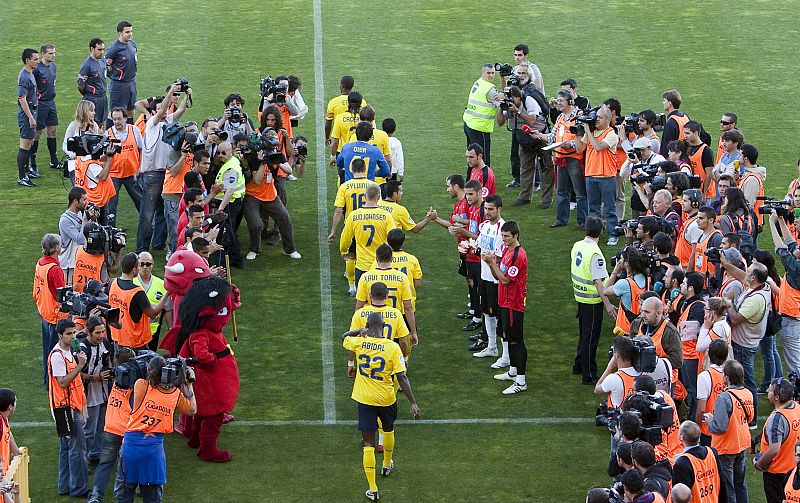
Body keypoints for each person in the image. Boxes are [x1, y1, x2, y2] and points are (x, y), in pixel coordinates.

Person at [341, 312, 421, 502]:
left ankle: (373, 489)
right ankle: (386, 465)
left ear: (368, 325)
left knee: (368, 444)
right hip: (386, 398)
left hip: (365, 399)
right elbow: (402, 377)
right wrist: (413, 402)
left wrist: (360, 331)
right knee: (388, 429)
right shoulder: (393, 347)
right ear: (384, 325)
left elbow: (344, 337)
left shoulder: (360, 342)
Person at [119, 356, 196, 503]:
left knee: (125, 491)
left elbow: (144, 376)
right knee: (152, 495)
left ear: (149, 370)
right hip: (153, 451)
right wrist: (188, 383)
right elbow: (192, 410)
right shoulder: (175, 394)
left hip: (131, 447)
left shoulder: (141, 385)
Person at [135, 82, 189, 254]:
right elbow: (163, 110)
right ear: (153, 111)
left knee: (163, 212)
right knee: (147, 214)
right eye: (159, 108)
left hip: (166, 174)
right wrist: (170, 93)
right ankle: (142, 247)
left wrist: (187, 95)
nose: (164, 110)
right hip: (152, 174)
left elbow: (179, 111)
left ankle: (158, 243)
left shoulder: (168, 121)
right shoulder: (152, 123)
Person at [484, 220, 529, 394]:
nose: (503, 239)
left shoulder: (519, 256)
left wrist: (492, 262)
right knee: (509, 338)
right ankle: (512, 371)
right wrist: (490, 263)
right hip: (504, 301)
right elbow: (498, 276)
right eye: (502, 236)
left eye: (506, 236)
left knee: (517, 341)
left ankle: (521, 381)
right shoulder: (507, 250)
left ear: (515, 235)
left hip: (513, 304)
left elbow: (505, 279)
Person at [86, 347, 134, 503]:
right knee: (127, 466)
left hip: (110, 428)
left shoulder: (116, 379)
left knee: (105, 464)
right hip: (127, 431)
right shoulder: (136, 384)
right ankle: (133, 492)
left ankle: (95, 496)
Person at [571, 217, 615, 384]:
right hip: (592, 301)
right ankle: (588, 374)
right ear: (601, 232)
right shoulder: (595, 254)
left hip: (580, 296)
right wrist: (608, 304)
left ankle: (578, 365)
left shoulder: (578, 245)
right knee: (590, 337)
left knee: (584, 333)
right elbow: (598, 282)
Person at [702, 359, 752, 503]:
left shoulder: (724, 397)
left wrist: (710, 420)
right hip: (741, 443)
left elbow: (719, 427)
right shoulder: (747, 393)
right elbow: (750, 418)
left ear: (727, 378)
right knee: (740, 483)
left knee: (728, 486)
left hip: (726, 447)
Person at [49, 318, 89, 498]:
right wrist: (80, 365)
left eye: (74, 333)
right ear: (60, 335)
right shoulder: (57, 356)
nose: (73, 337)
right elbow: (63, 382)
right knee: (77, 449)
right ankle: (78, 488)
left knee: (66, 448)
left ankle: (64, 486)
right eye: (69, 334)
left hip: (69, 406)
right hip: (65, 409)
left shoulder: (68, 352)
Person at [535, 89, 586, 228]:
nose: (558, 104)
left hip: (574, 159)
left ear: (570, 101)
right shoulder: (560, 117)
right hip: (560, 158)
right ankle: (561, 219)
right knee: (562, 191)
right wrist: (540, 135)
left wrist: (571, 144)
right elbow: (552, 137)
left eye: (561, 101)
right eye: (558, 101)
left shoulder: (580, 116)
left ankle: (583, 221)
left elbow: (585, 139)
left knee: (580, 192)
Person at [496, 85, 552, 208]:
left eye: (511, 99)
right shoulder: (509, 104)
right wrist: (501, 108)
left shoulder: (529, 101)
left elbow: (532, 120)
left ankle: (546, 200)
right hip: (525, 139)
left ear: (518, 97)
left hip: (541, 137)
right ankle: (525, 197)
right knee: (525, 167)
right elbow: (500, 122)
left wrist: (518, 111)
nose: (510, 101)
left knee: (545, 168)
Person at [329, 159, 377, 294]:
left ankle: (352, 287)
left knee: (350, 256)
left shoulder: (344, 186)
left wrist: (333, 231)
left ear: (351, 169)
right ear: (365, 169)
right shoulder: (372, 185)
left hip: (353, 224)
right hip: (372, 222)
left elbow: (339, 211)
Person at [355, 245, 417, 347]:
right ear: (392, 259)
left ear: (376, 258)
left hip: (372, 321)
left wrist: (356, 326)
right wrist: (413, 331)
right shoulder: (402, 277)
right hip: (396, 320)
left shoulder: (365, 277)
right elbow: (408, 307)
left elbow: (359, 305)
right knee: (399, 356)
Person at [575, 107, 620, 245]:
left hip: (606, 176)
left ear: (608, 119)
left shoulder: (611, 134)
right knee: (593, 208)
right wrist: (577, 134)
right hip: (591, 175)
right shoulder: (591, 132)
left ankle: (613, 234)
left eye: (600, 117)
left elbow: (599, 147)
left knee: (610, 208)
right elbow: (579, 149)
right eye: (597, 117)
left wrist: (588, 132)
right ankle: (593, 235)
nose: (597, 119)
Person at [108, 253, 168, 349]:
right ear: (134, 269)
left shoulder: (112, 283)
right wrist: (167, 294)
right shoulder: (137, 292)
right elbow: (152, 314)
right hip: (135, 341)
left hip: (117, 337)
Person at [340, 184, 396, 286]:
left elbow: (345, 238)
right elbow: (393, 238)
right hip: (381, 265)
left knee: (362, 298)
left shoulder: (354, 215)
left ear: (364, 196)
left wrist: (344, 251)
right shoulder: (386, 215)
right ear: (378, 197)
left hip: (362, 266)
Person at [470, 194, 506, 355]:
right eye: (486, 208)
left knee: (498, 316)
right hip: (484, 276)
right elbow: (480, 248)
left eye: (491, 209)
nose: (488, 212)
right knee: (486, 311)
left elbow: (499, 256)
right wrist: (469, 247)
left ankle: (504, 353)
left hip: (496, 279)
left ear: (499, 209)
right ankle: (491, 347)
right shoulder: (484, 226)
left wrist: (488, 258)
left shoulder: (502, 229)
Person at [75, 316, 112, 466]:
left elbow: (109, 362)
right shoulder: (82, 349)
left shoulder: (105, 343)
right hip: (88, 395)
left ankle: (95, 455)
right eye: (97, 332)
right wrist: (94, 377)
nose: (101, 335)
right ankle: (82, 459)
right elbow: (75, 374)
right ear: (89, 333)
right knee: (89, 430)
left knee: (102, 426)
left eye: (103, 331)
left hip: (103, 392)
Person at [756, 378, 800, 503]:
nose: (766, 390)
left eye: (770, 389)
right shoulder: (797, 407)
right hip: (793, 469)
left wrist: (759, 464)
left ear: (776, 397)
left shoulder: (777, 418)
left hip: (776, 474)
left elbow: (774, 449)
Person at [450, 179, 486, 332]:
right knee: (472, 283)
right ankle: (475, 314)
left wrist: (464, 232)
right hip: (470, 253)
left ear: (479, 193)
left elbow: (483, 237)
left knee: (480, 289)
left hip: (480, 257)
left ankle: (480, 321)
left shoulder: (484, 211)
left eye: (471, 194)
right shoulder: (472, 209)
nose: (468, 197)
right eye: (467, 194)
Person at [34, 233, 66, 386]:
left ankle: (47, 379)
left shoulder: (40, 263)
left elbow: (37, 288)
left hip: (44, 311)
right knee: (54, 351)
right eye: (59, 244)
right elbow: (62, 295)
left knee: (47, 348)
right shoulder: (54, 269)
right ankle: (51, 381)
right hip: (55, 315)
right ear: (55, 249)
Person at [771, 210, 800, 374]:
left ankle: (796, 393)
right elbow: (791, 245)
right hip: (795, 316)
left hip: (792, 319)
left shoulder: (797, 268)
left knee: (795, 365)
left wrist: (771, 224)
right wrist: (781, 220)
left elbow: (781, 250)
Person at [209, 141, 245, 268]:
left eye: (224, 153)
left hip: (229, 204)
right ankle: (235, 260)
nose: (220, 155)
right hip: (231, 203)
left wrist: (220, 209)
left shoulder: (231, 168)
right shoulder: (232, 162)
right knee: (230, 232)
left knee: (223, 233)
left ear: (231, 151)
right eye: (218, 152)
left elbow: (229, 191)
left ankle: (225, 262)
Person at [672, 421, 725, 502]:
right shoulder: (712, 452)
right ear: (699, 437)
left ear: (681, 438)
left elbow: (680, 497)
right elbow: (723, 484)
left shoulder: (682, 463)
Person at [630, 297, 683, 375]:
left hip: (662, 379)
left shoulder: (670, 332)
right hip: (639, 377)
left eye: (647, 312)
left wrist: (652, 361)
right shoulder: (636, 324)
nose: (643, 315)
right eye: (642, 311)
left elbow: (678, 361)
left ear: (658, 313)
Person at [106, 107, 143, 220]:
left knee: (141, 202)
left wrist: (140, 168)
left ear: (126, 118)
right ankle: (110, 231)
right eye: (114, 119)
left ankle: (147, 227)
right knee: (110, 206)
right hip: (114, 175)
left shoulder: (134, 130)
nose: (117, 122)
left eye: (119, 119)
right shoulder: (107, 134)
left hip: (133, 173)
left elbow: (142, 149)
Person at [604, 247, 649, 335]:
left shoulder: (624, 284)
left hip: (625, 330)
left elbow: (605, 291)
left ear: (627, 263)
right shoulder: (646, 278)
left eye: (621, 259)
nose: (619, 261)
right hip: (641, 328)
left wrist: (615, 272)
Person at [462, 64, 500, 165]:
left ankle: (470, 179)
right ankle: (484, 180)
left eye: (493, 73)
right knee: (482, 159)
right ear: (482, 73)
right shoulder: (490, 89)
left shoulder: (478, 82)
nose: (491, 75)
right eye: (488, 73)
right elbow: (503, 103)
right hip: (480, 127)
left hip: (469, 123)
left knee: (472, 157)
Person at [133, 252, 172, 350]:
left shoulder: (161, 284)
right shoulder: (131, 282)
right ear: (137, 265)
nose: (145, 267)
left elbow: (168, 309)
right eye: (142, 264)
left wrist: (170, 328)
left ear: (152, 265)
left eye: (148, 264)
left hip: (153, 331)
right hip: (134, 331)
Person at [32, 43, 60, 172]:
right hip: (41, 103)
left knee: (52, 131)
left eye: (54, 53)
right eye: (50, 53)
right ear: (43, 53)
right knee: (37, 133)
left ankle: (54, 160)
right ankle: (32, 163)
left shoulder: (53, 67)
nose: (53, 55)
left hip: (51, 103)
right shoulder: (37, 69)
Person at [336, 120, 390, 185]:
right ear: (370, 136)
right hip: (368, 189)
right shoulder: (375, 151)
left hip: (350, 187)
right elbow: (386, 171)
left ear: (356, 134)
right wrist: (374, 172)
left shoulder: (346, 148)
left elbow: (339, 163)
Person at [105, 21, 138, 122]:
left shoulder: (132, 44)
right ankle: (110, 136)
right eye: (127, 32)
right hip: (119, 86)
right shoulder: (113, 48)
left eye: (131, 31)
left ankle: (130, 135)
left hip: (131, 83)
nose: (130, 34)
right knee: (116, 114)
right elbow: (105, 66)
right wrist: (114, 76)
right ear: (120, 33)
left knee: (131, 112)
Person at [62, 100, 101, 182]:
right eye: (91, 111)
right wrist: (73, 154)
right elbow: (65, 144)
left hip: (90, 164)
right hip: (75, 165)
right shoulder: (73, 126)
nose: (94, 113)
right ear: (84, 111)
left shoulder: (94, 126)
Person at [17, 48, 39, 187]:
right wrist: (30, 117)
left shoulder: (29, 73)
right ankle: (22, 177)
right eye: (35, 59)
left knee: (30, 143)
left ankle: (26, 171)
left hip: (32, 111)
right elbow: (21, 98)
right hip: (27, 114)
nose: (37, 61)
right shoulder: (25, 76)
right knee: (24, 145)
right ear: (27, 60)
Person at [58, 187, 91, 282]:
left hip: (79, 262)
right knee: (69, 295)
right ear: (75, 201)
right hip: (68, 265)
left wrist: (92, 219)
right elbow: (80, 240)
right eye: (84, 200)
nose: (86, 202)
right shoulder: (65, 220)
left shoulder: (80, 213)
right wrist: (85, 221)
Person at [330, 91, 365, 172]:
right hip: (362, 151)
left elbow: (335, 140)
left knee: (344, 177)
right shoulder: (365, 117)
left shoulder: (339, 118)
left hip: (343, 152)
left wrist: (333, 156)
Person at [325, 76, 366, 144]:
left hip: (340, 145)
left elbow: (328, 125)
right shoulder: (362, 101)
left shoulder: (333, 102)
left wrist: (327, 138)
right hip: (359, 144)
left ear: (342, 86)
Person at [77, 38, 108, 126]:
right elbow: (80, 85)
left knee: (101, 123)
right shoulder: (87, 65)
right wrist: (88, 95)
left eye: (103, 49)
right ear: (92, 49)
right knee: (90, 124)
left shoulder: (102, 60)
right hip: (92, 98)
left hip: (103, 97)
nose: (102, 52)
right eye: (99, 50)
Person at [675, 189, 706, 268]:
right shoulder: (689, 220)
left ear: (694, 203)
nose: (682, 203)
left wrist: (688, 273)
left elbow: (695, 252)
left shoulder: (696, 224)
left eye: (685, 201)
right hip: (682, 267)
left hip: (687, 268)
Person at [683, 121, 715, 198]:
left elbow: (709, 174)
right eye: (684, 133)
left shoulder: (706, 150)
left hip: (702, 192)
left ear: (696, 133)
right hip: (689, 190)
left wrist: (703, 192)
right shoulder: (686, 147)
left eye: (688, 133)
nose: (685, 136)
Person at [738, 144, 766, 226]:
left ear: (745, 159)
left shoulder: (752, 179)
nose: (738, 158)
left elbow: (748, 204)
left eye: (740, 155)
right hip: (748, 221)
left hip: (750, 222)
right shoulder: (747, 174)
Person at [0, 388, 22, 487]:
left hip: (3, 474)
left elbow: (9, 434)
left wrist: (16, 451)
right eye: (15, 401)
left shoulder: (4, 418)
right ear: (10, 407)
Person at [659, 90, 690, 158]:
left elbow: (665, 147)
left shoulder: (671, 122)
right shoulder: (685, 116)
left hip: (676, 158)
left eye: (664, 100)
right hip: (687, 155)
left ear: (670, 103)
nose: (663, 102)